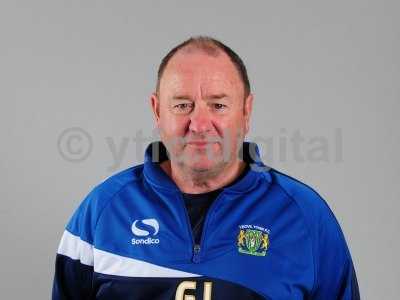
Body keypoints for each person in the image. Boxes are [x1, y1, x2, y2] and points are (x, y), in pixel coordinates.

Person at [52, 36, 360, 299]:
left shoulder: (306, 218)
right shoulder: (101, 213)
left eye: (218, 105)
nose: (199, 124)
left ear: (246, 111)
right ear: (158, 111)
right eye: (182, 105)